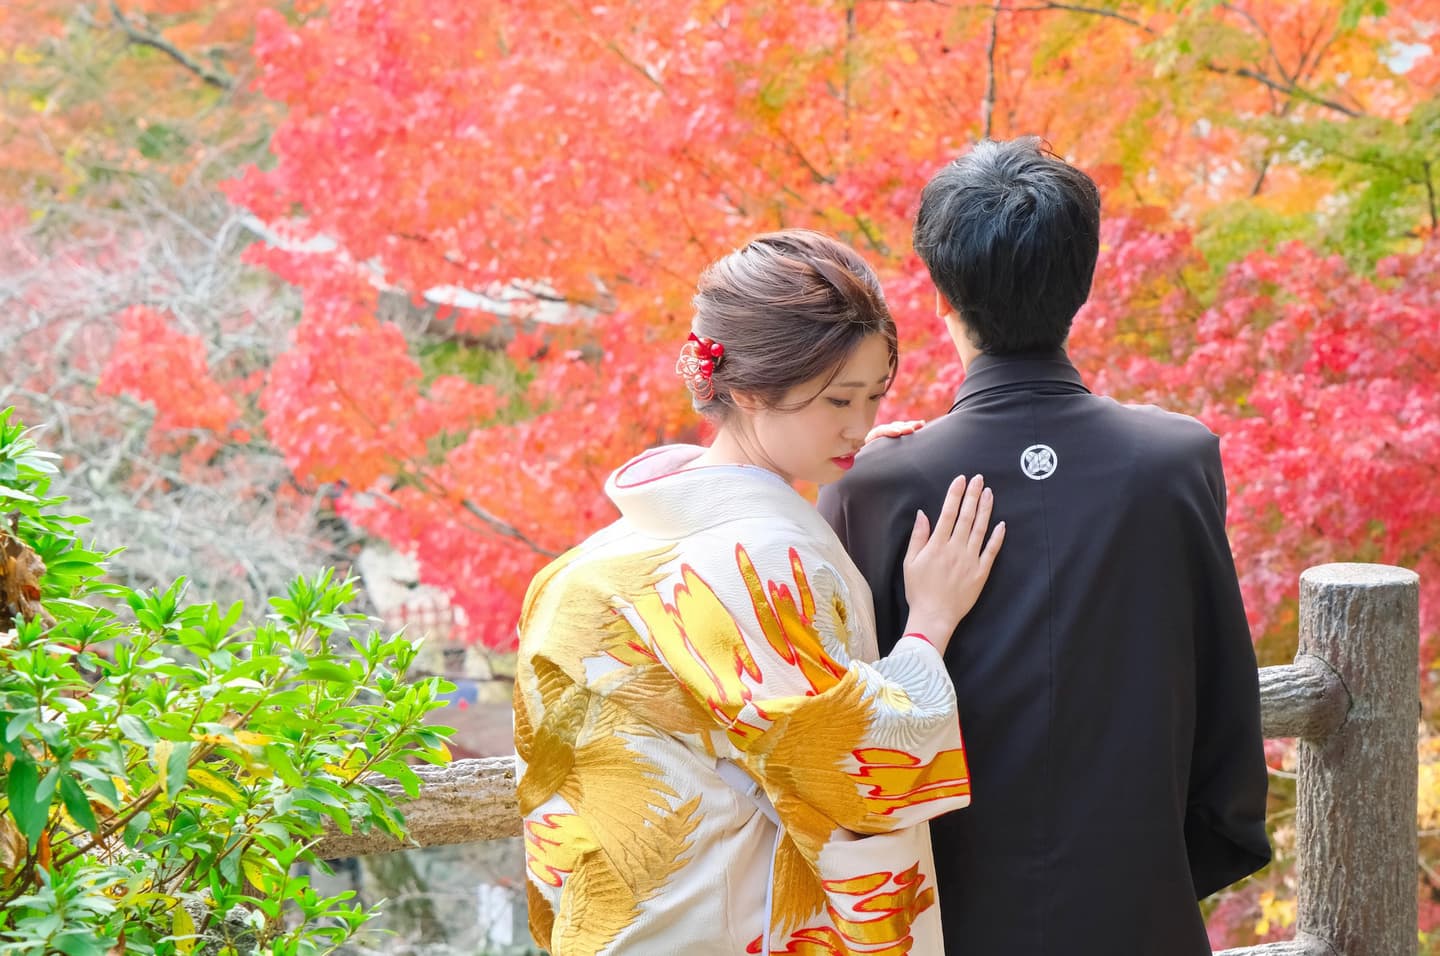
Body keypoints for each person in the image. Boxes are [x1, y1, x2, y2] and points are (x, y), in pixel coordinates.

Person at [818, 138, 1272, 954]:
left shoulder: (874, 490)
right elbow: (1226, 708)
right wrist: (1148, 874)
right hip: (1140, 906)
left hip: (954, 920)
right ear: (1083, 281)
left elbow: (852, 746)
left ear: (939, 294)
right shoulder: (1177, 462)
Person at [513, 229, 1005, 955]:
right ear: (746, 390)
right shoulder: (759, 559)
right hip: (719, 921)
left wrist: (826, 453)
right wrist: (929, 624)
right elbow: (848, 765)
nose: (862, 425)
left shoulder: (605, 556)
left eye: (873, 395)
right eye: (838, 400)